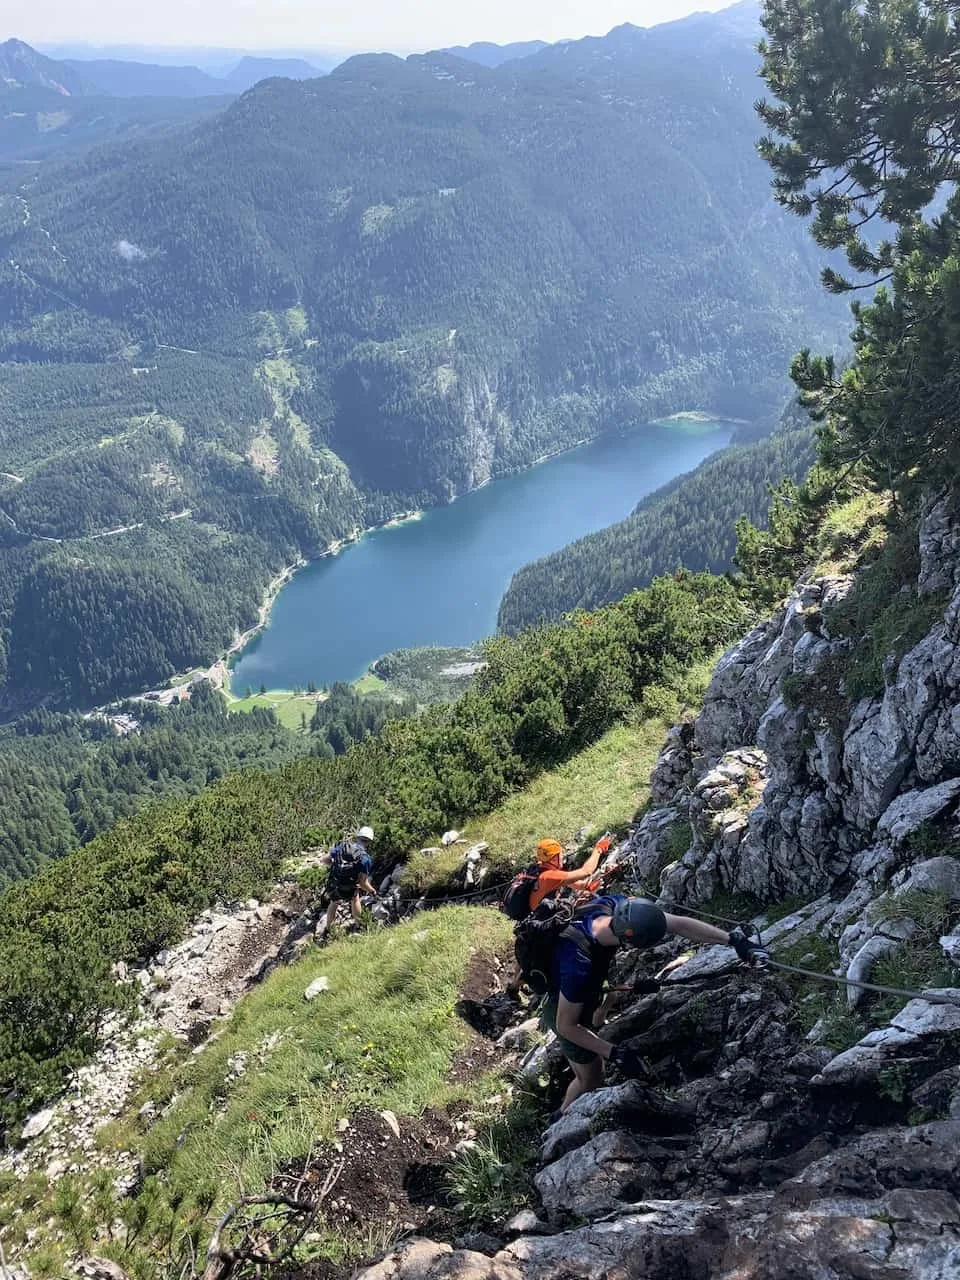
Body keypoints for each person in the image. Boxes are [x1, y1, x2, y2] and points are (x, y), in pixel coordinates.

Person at [539, 894, 768, 1114]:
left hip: (586, 992)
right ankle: (561, 1115)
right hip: (561, 1008)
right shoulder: (578, 965)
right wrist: (615, 1053)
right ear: (632, 942)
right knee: (591, 1078)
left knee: (597, 1029)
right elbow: (566, 1026)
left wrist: (734, 940)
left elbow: (678, 925)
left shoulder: (616, 906)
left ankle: (596, 1027)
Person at [319, 826, 378, 934]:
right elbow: (363, 882)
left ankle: (329, 929)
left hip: (334, 883)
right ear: (369, 841)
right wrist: (372, 891)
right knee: (355, 899)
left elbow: (324, 859)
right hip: (348, 889)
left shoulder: (343, 847)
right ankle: (359, 925)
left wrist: (335, 867)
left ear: (358, 836)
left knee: (334, 902)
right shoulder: (365, 859)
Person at [528, 834, 611, 911]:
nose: (562, 857)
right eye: (560, 855)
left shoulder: (542, 868)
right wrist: (599, 849)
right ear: (553, 859)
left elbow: (572, 883)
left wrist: (587, 886)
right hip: (541, 920)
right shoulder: (548, 876)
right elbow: (586, 871)